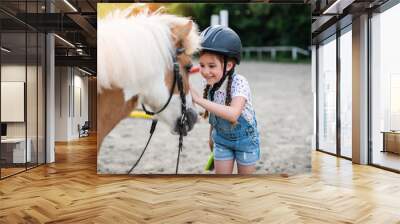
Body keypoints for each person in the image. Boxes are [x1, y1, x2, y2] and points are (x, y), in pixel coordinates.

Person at [190, 25, 260, 174]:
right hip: (221, 141)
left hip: (246, 142)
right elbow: (214, 113)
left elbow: (233, 113)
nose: (205, 72)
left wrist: (198, 99)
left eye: (211, 66)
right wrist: (211, 138)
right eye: (202, 65)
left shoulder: (239, 82)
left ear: (229, 65)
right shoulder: (210, 84)